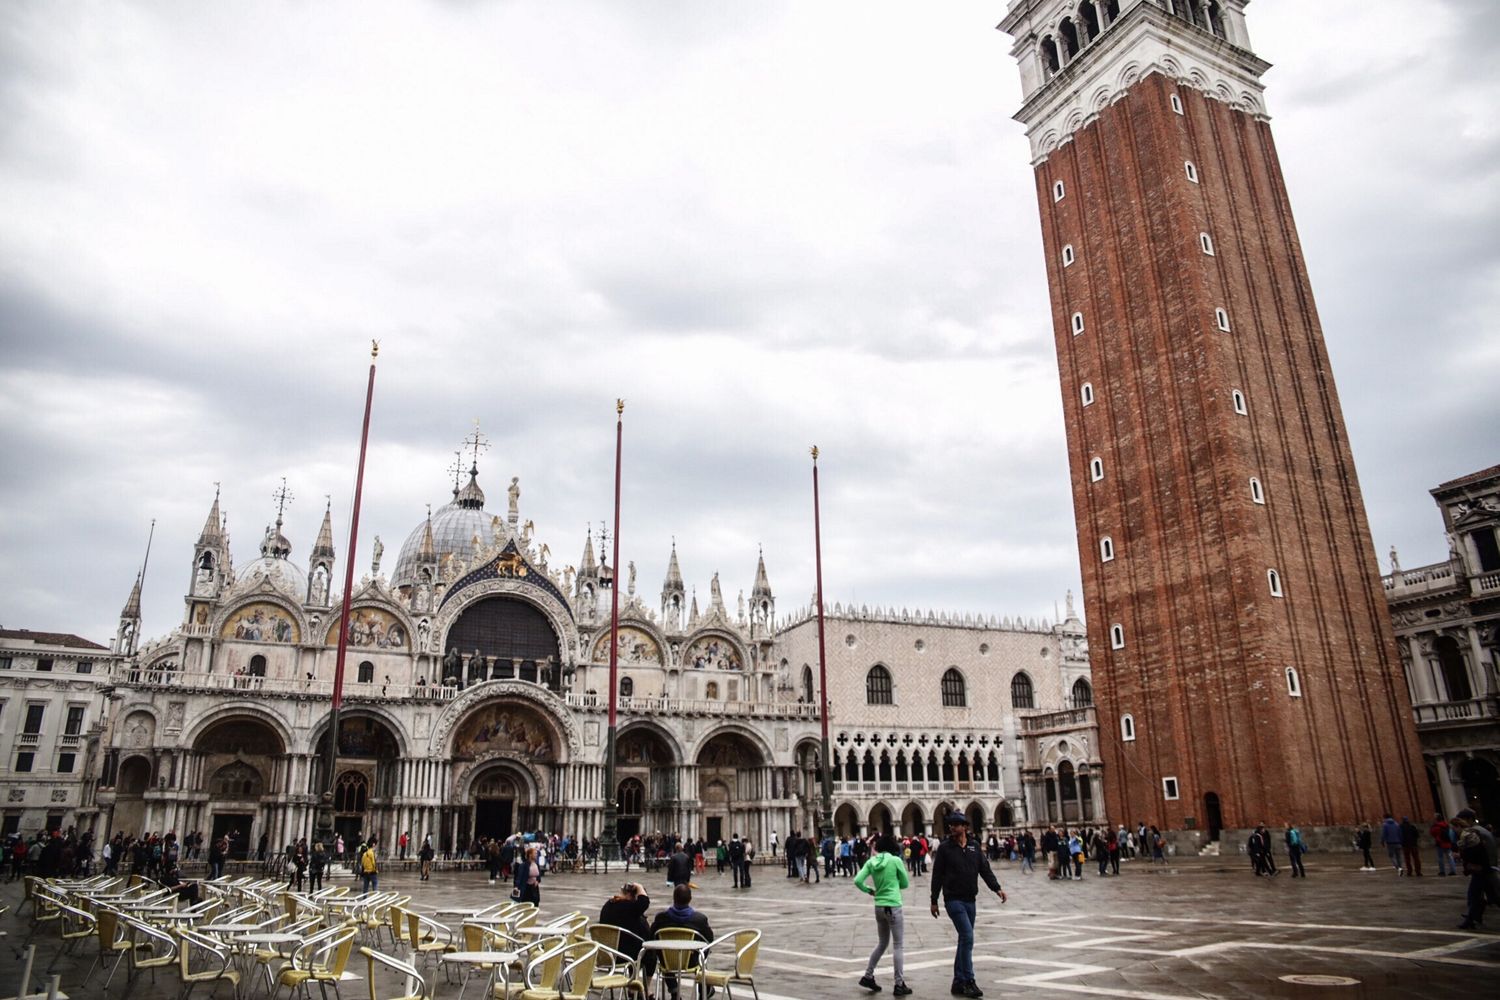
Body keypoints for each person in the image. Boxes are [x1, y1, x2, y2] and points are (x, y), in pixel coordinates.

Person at [929, 812, 1005, 999]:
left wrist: (997, 888)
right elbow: (937, 875)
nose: (952, 827)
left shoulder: (974, 846)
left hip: (970, 900)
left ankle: (958, 981)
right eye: (950, 825)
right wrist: (934, 900)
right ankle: (969, 981)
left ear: (965, 827)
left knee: (964, 940)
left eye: (956, 824)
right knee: (967, 936)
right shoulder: (945, 849)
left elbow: (984, 870)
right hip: (953, 900)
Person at [855, 834, 912, 996]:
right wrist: (894, 884)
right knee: (898, 945)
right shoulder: (895, 861)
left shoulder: (871, 862)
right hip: (893, 905)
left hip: (879, 906)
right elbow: (905, 883)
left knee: (882, 943)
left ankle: (868, 975)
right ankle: (899, 984)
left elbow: (858, 880)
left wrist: (870, 891)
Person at [646, 884, 714, 1000]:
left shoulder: (661, 918)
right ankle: (705, 988)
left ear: (674, 898)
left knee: (663, 952)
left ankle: (674, 990)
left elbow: (651, 937)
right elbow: (710, 939)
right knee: (705, 950)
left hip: (667, 963)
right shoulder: (699, 919)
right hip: (692, 962)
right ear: (690, 899)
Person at [1454, 809, 1499, 929]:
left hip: (1483, 869)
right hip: (1488, 867)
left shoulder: (1473, 832)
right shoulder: (1483, 830)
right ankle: (1473, 917)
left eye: (1461, 821)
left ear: (1469, 820)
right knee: (1479, 894)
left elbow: (1476, 852)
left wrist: (1462, 856)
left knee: (1482, 895)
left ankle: (1471, 919)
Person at [599, 881, 651, 963]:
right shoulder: (628, 907)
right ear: (632, 896)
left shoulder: (608, 905)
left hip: (606, 952)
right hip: (625, 955)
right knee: (649, 951)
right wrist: (639, 887)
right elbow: (644, 902)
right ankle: (647, 976)